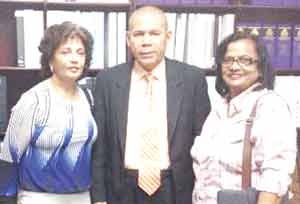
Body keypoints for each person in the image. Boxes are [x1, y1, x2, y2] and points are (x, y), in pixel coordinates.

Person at [91, 5, 211, 204]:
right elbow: (99, 147)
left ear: (168, 36)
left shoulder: (192, 79)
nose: (146, 42)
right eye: (138, 34)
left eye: (154, 33)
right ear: (128, 39)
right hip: (122, 188)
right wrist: (99, 199)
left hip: (175, 188)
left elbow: (203, 143)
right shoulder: (108, 80)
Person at [0, 21, 100, 204]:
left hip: (83, 198)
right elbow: (8, 160)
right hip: (38, 198)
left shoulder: (89, 97)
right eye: (65, 52)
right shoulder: (33, 101)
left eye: (80, 53)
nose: (74, 59)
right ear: (50, 59)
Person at [191, 32, 297, 204]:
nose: (234, 66)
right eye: (228, 60)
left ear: (261, 68)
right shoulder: (217, 111)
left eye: (245, 60)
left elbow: (275, 178)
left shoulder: (270, 107)